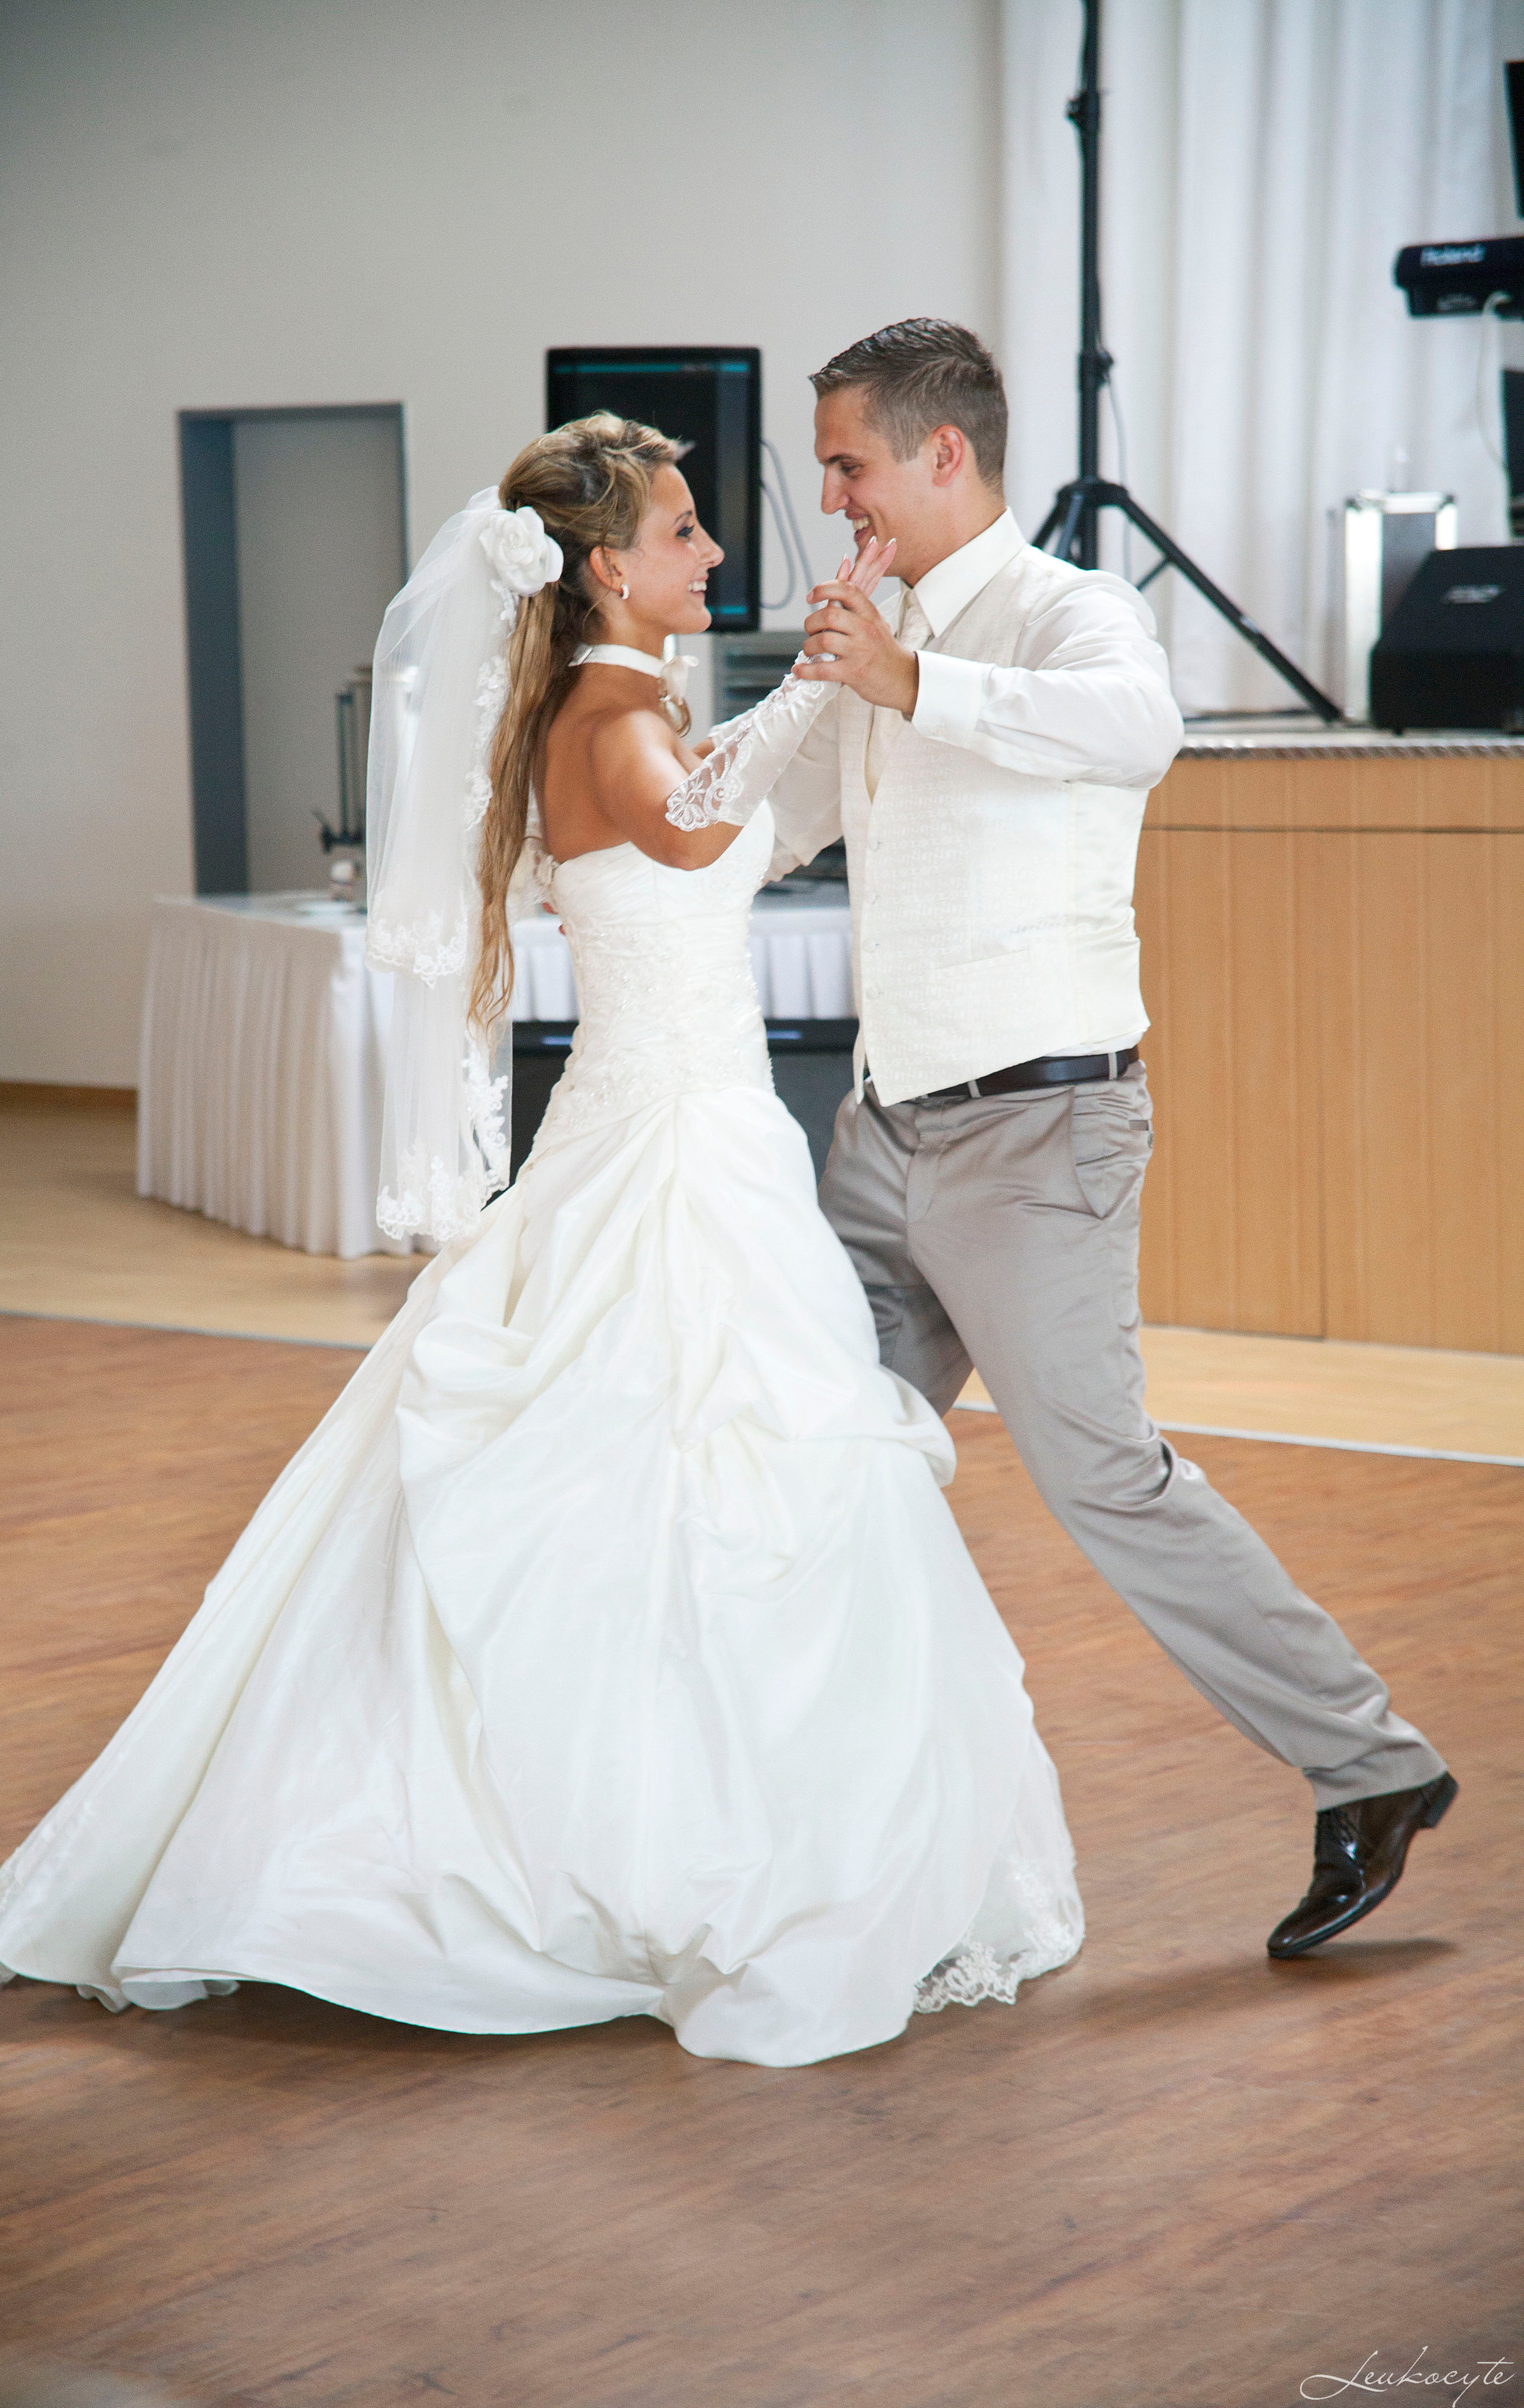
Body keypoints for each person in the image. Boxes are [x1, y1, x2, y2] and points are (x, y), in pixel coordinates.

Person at [0, 415, 1082, 2070]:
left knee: (723, 1480)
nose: (714, 556)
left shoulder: (630, 701)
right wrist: (839, 674)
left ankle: (710, 1805)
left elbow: (740, 838)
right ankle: (627, 1845)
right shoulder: (606, 714)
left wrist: (846, 686)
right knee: (685, 1472)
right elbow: (706, 829)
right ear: (606, 568)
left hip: (693, 1132)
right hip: (671, 1148)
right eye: (687, 533)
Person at [749, 319, 1454, 1960]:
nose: (831, 494)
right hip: (879, 1141)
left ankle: (1367, 1764)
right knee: (803, 1451)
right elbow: (774, 834)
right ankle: (785, 1808)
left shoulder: (1074, 614)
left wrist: (905, 677)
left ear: (943, 454)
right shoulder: (878, 634)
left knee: (1103, 1476)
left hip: (1038, 1136)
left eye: (848, 460)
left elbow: (1139, 737)